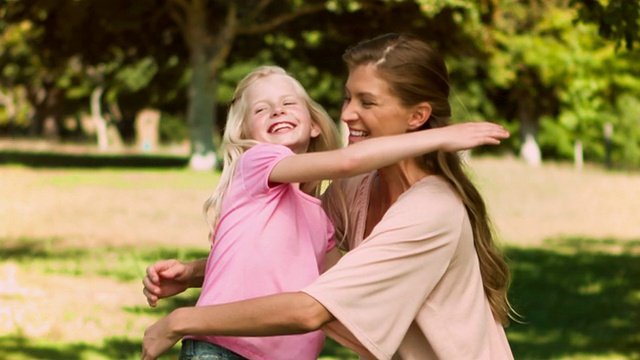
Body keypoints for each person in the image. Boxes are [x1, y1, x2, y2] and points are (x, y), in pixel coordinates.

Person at [142, 33, 514, 360]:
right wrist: (195, 273)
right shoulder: (355, 188)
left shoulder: (431, 210)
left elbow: (310, 310)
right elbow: (291, 249)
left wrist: (180, 321)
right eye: (347, 97)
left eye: (367, 103)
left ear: (417, 117)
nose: (347, 113)